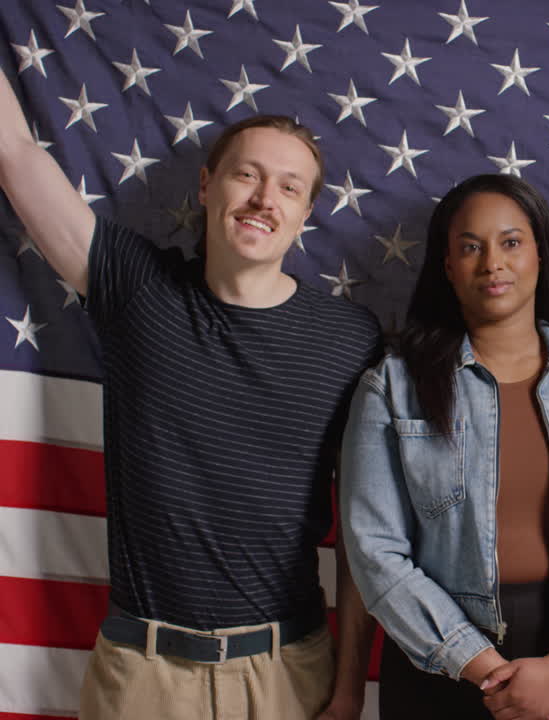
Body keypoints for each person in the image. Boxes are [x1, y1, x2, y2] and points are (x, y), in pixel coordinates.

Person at [0, 70, 381, 718]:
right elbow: (13, 151)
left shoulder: (351, 340)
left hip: (286, 673)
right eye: (246, 175)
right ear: (207, 186)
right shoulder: (136, 288)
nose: (265, 198)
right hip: (143, 678)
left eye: (289, 187)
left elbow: (363, 528)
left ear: (305, 215)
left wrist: (348, 689)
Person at [340, 173, 549, 720]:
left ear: (541, 253)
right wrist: (479, 665)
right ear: (448, 267)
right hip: (440, 666)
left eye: (511, 242)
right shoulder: (392, 388)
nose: (492, 262)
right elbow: (373, 550)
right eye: (471, 247)